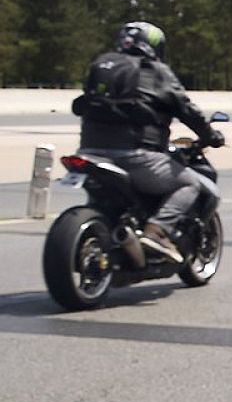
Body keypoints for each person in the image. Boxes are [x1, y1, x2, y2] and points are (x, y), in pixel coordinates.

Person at [72, 21, 224, 264]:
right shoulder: (156, 71)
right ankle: (157, 231)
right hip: (136, 156)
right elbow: (186, 108)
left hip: (89, 152)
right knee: (190, 185)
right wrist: (210, 136)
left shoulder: (104, 66)